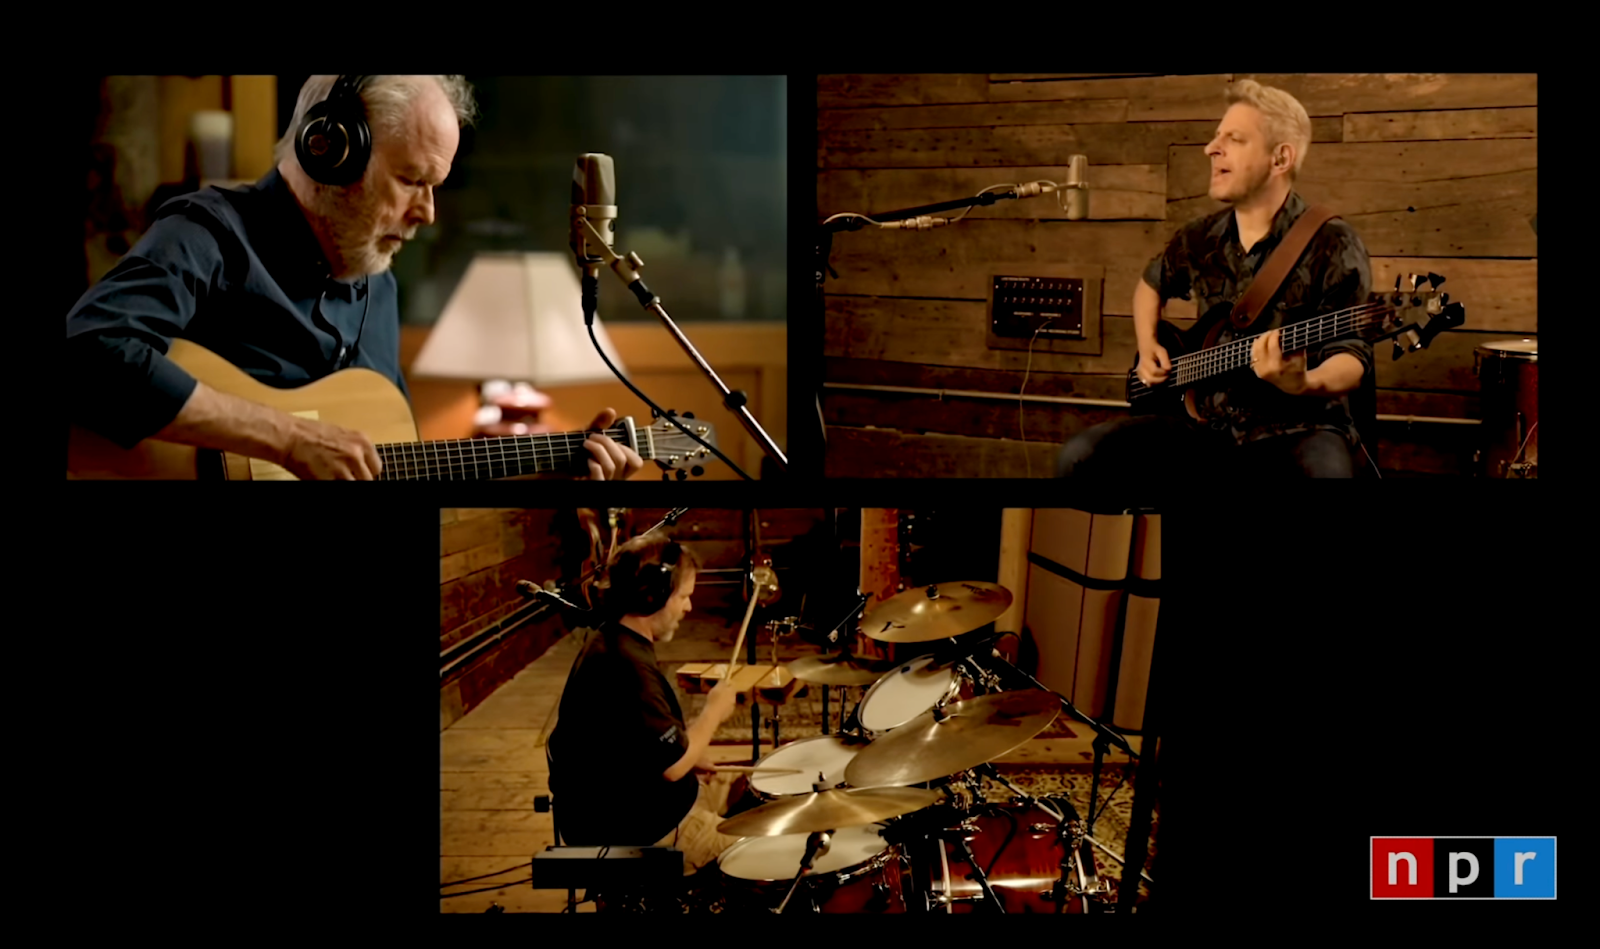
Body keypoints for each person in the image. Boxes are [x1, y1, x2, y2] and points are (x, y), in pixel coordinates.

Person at [65, 75, 642, 481]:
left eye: (436, 185)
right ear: (329, 152)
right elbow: (89, 349)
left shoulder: (380, 283)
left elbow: (389, 462)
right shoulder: (210, 233)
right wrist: (285, 438)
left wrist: (543, 479)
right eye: (412, 179)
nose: (428, 213)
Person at [1057, 79, 1374, 482]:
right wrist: (1147, 344)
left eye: (1234, 139)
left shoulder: (1333, 242)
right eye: (1215, 136)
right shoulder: (1199, 237)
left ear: (1280, 158)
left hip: (1298, 428)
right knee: (1080, 457)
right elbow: (1149, 285)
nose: (1211, 148)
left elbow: (1352, 355)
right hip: (1203, 424)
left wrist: (1304, 380)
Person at [547, 534, 745, 908]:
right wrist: (713, 713)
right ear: (652, 597)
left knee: (756, 789)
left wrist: (689, 753)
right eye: (684, 595)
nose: (689, 607)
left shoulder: (610, 639)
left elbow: (635, 740)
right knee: (775, 860)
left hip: (635, 805)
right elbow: (672, 768)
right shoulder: (628, 667)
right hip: (646, 833)